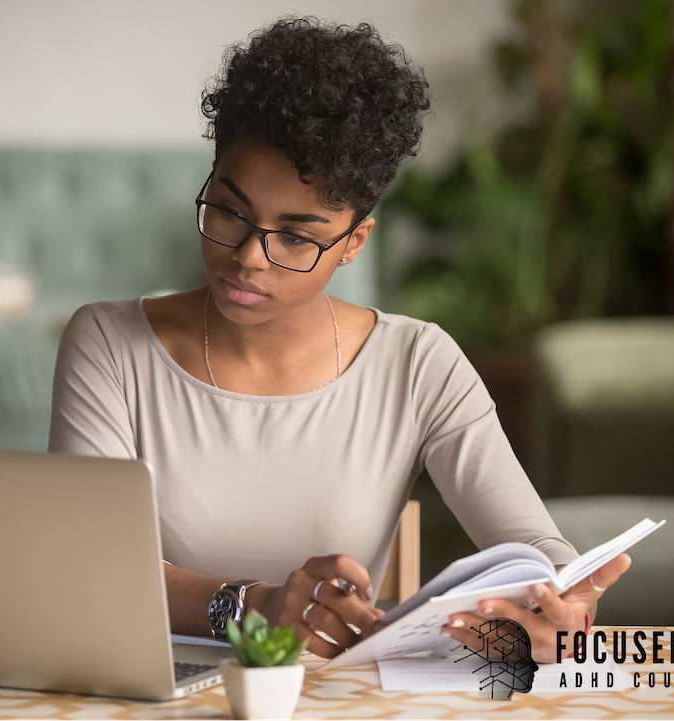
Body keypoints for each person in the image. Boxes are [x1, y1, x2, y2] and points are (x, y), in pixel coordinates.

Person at [49, 16, 630, 663]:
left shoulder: (418, 363)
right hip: (153, 698)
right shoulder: (107, 344)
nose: (248, 256)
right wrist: (252, 606)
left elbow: (530, 541)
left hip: (337, 700)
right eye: (229, 210)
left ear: (354, 242)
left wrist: (563, 598)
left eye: (296, 235)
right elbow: (87, 565)